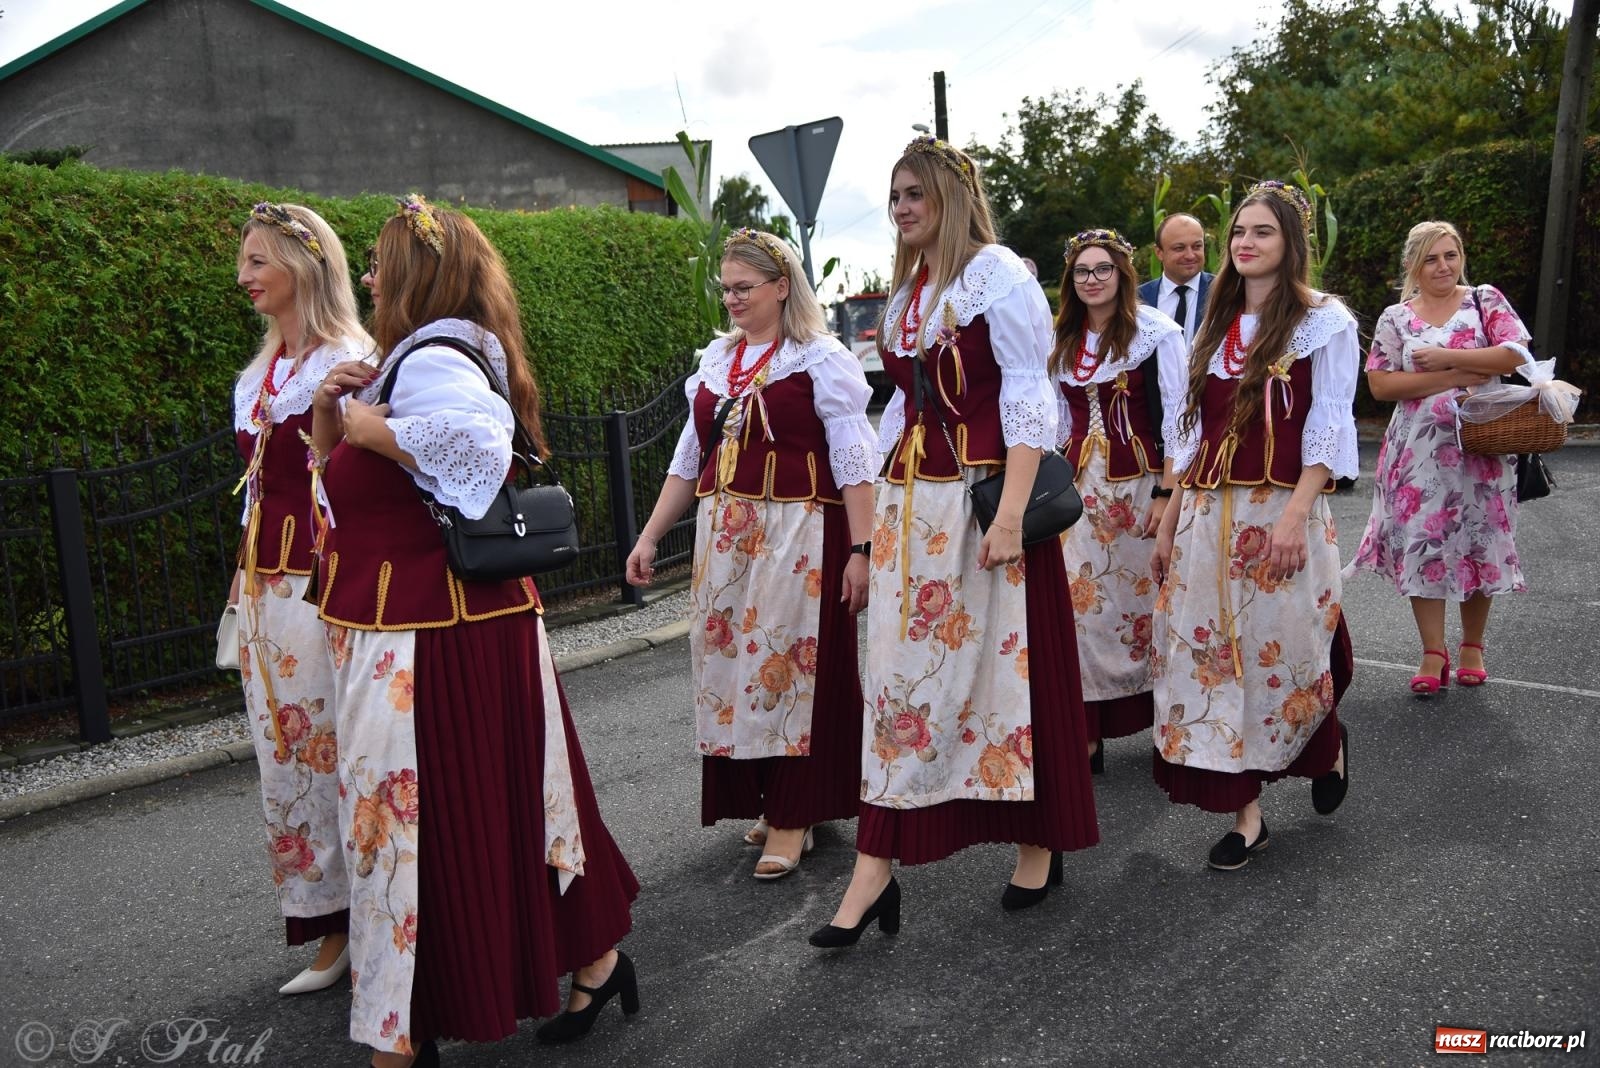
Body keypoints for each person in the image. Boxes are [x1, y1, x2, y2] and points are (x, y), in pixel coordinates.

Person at [311, 196, 639, 1066]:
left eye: (380, 263)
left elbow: (476, 450)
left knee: (430, 821)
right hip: (426, 627)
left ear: (417, 275)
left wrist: (370, 426)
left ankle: (406, 1032)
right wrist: (336, 420)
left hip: (440, 632)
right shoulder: (403, 361)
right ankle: (594, 961)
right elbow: (360, 489)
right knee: (492, 807)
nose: (370, 278)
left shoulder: (435, 357)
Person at [811, 138, 1099, 948]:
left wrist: (1009, 516)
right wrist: (868, 541)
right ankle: (875, 869)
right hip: (911, 505)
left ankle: (1037, 837)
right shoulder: (910, 295)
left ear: (950, 197)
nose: (902, 207)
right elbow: (900, 412)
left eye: (916, 193)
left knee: (1012, 674)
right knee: (903, 684)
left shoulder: (996, 275)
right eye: (895, 194)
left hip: (981, 501)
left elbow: (1028, 399)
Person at [625, 228, 876, 880]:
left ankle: (796, 815)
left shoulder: (820, 359)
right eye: (727, 288)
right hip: (725, 539)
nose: (732, 299)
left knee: (788, 666)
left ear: (781, 286)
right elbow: (689, 461)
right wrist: (651, 536)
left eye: (744, 288)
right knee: (735, 668)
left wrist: (862, 549)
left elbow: (854, 465)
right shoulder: (716, 362)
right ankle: (773, 799)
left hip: (798, 537)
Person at [1149, 181, 1357, 871]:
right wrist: (1170, 519)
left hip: (1280, 511)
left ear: (1290, 243)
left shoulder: (1323, 323)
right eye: (1239, 230)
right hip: (1208, 515)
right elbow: (1191, 435)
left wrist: (1297, 516)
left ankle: (1323, 745)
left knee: (1287, 654)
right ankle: (1248, 817)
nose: (1245, 242)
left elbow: (1327, 426)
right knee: (1217, 663)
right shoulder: (1211, 327)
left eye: (1262, 231)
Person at [230, 202, 369, 996]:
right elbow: (256, 497)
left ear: (304, 267)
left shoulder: (346, 360)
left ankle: (372, 915)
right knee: (285, 756)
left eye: (257, 262)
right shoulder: (263, 372)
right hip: (266, 590)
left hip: (327, 585)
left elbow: (359, 483)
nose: (244, 277)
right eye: (244, 263)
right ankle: (330, 923)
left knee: (336, 748)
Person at [1344, 221, 1532, 693]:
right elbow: (1382, 384)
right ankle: (1433, 651)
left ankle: (1472, 645)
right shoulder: (1395, 317)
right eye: (1431, 258)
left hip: (1481, 448)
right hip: (1418, 452)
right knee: (1424, 546)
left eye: (1450, 255)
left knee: (1478, 540)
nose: (1443, 266)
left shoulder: (1484, 299)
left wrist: (1441, 357)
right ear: (1412, 265)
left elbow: (1514, 356)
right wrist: (1459, 372)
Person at [1050, 228, 1185, 774]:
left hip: (1140, 487)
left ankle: (1167, 723)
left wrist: (1166, 492)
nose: (1092, 279)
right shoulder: (1059, 339)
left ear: (1123, 274)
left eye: (1103, 269)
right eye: (1082, 271)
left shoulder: (1157, 333)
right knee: (1082, 610)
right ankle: (1088, 731)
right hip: (1079, 495)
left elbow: (1179, 418)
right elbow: (1054, 420)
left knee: (1154, 606)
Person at [1138, 213, 1212, 344]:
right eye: (1179, 248)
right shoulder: (1139, 299)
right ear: (1159, 253)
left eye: (1197, 246)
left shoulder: (1224, 290)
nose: (1190, 255)